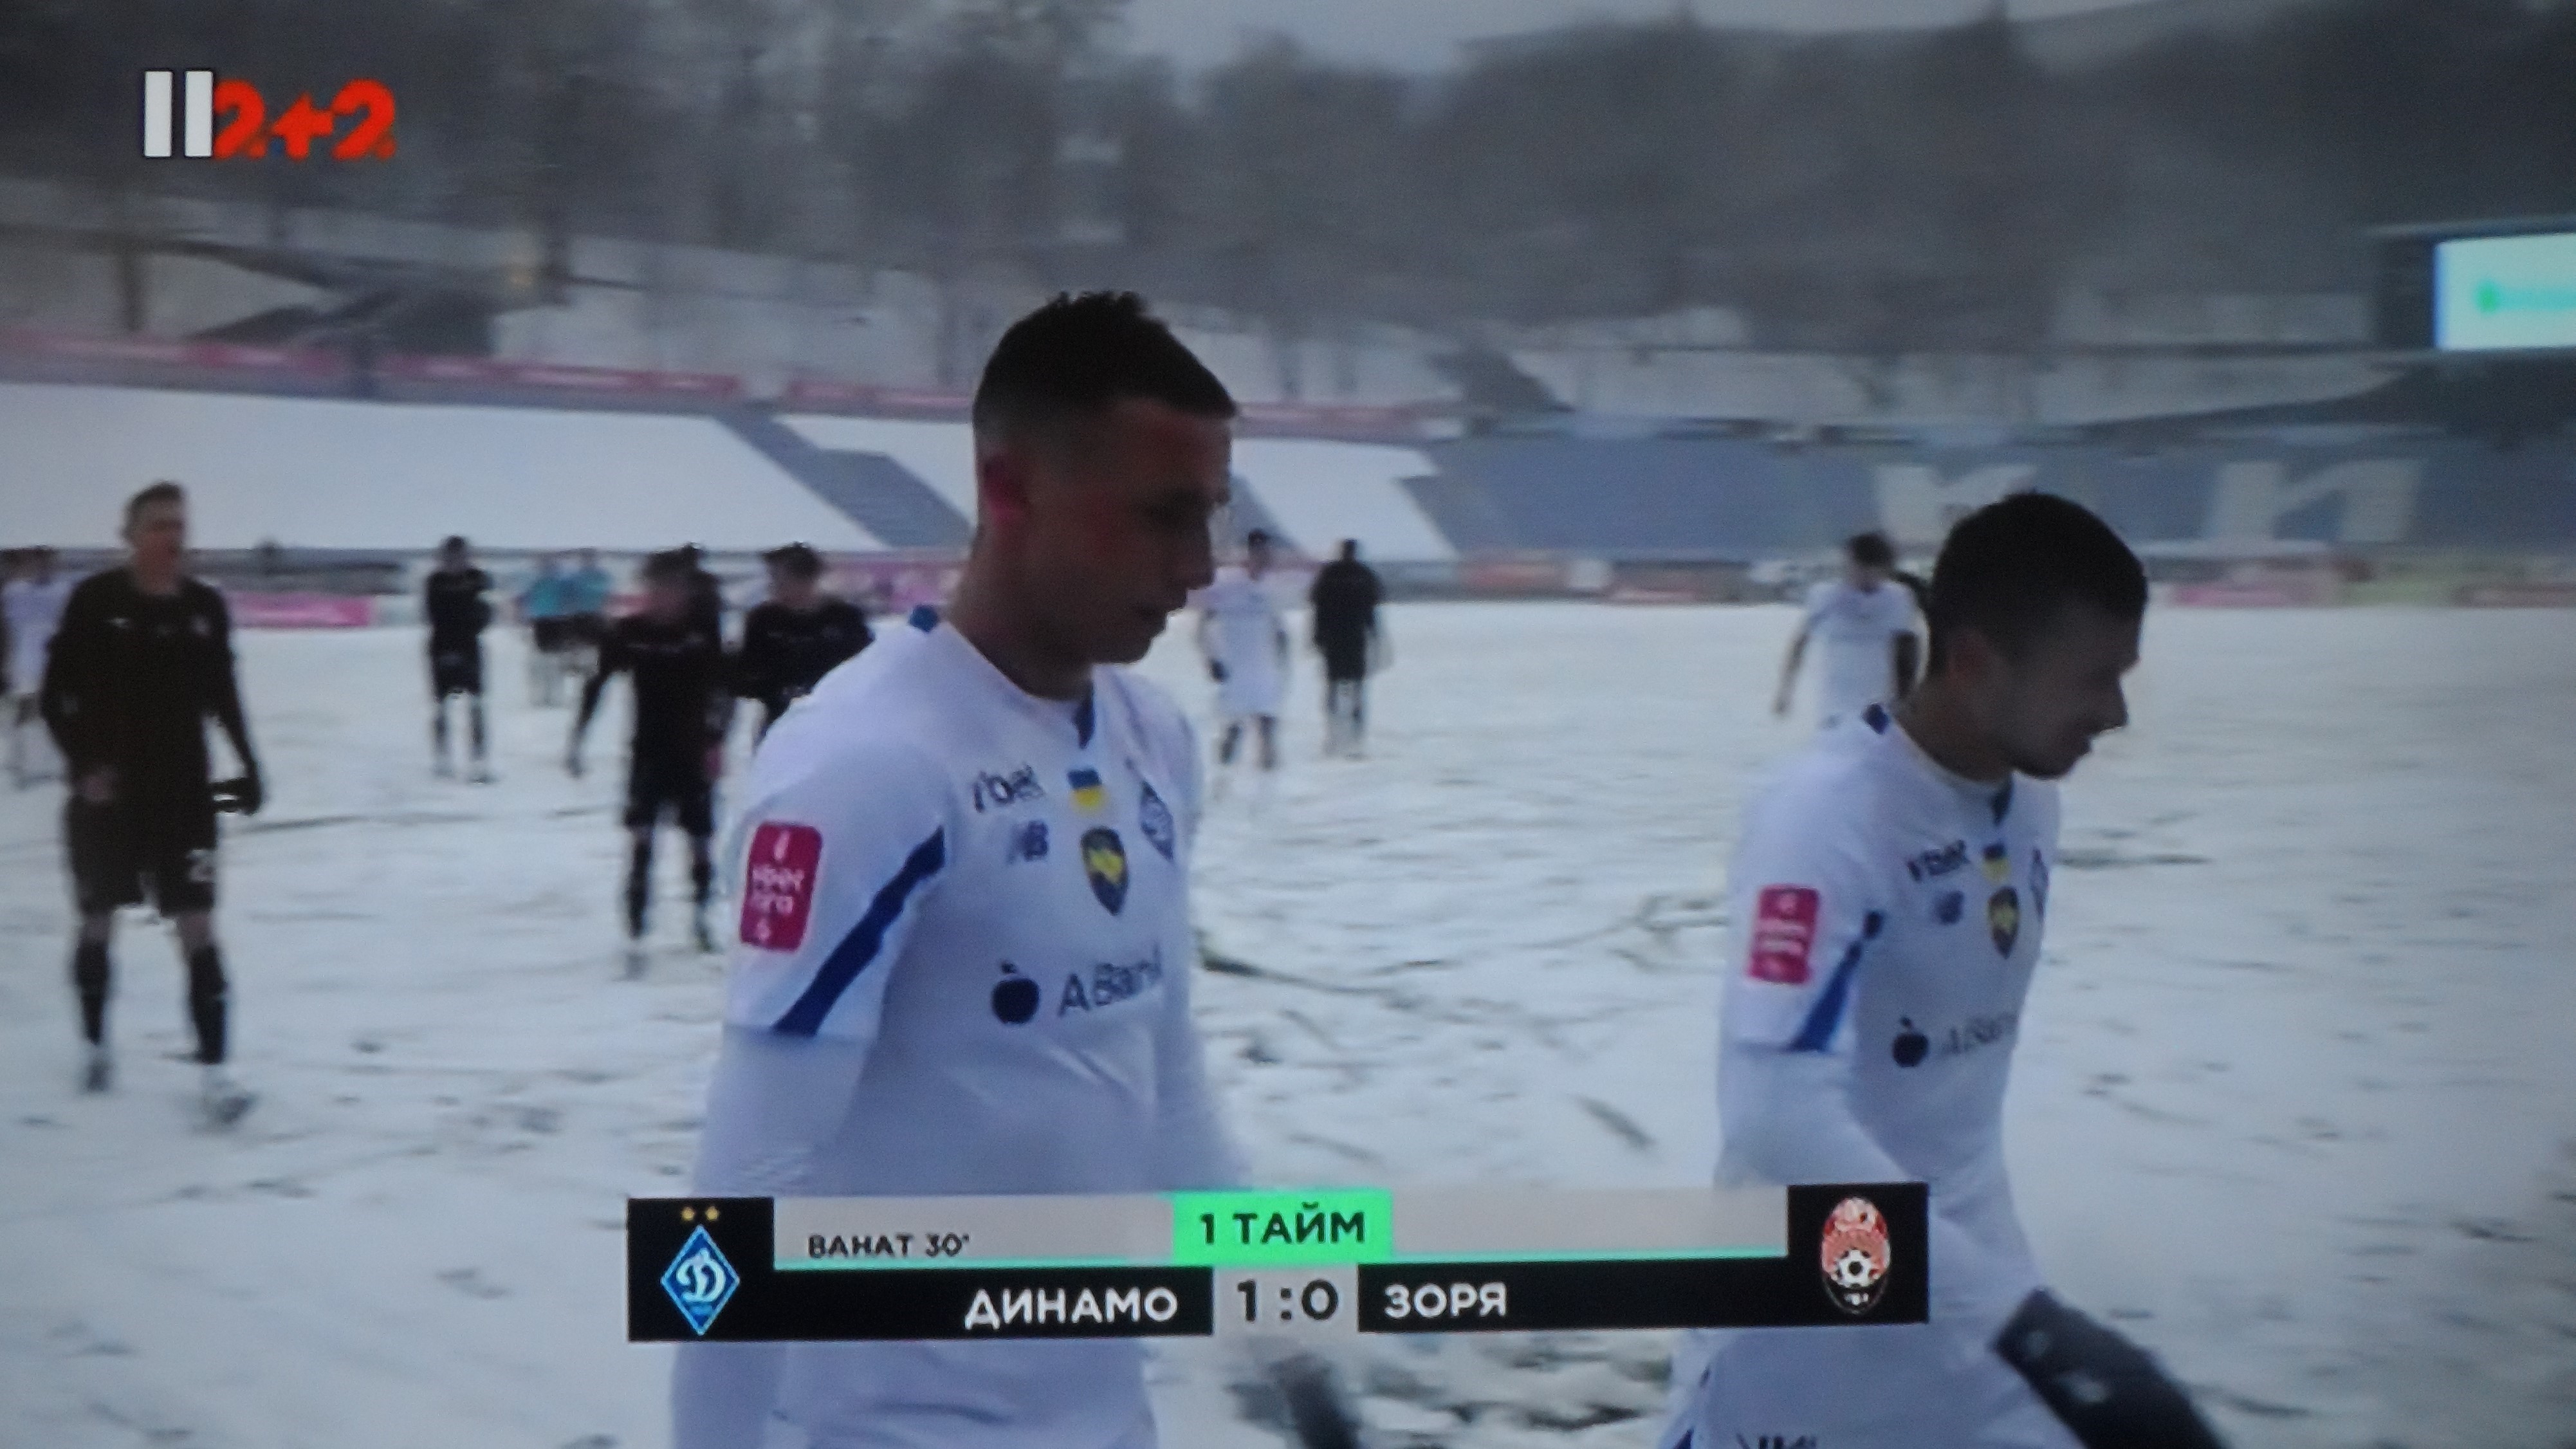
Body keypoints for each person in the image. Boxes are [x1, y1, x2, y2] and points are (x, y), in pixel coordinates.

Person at [670, 291, 1246, 1449]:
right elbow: (749, 1178)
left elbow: (1164, 1068)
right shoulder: (869, 766)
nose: (1197, 568)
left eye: (1209, 519)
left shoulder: (1154, 737)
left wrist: (1279, 1321)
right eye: (1160, 516)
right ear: (1008, 488)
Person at [1663, 494, 2225, 1449]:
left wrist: (2004, 1307)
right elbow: (1775, 1112)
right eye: (2093, 679)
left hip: (1971, 1310)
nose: (2116, 713)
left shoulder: (2029, 799)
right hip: (1806, 1334)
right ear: (1972, 661)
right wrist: (2025, 1324)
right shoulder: (1823, 819)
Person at [41, 482, 264, 1121]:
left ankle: (217, 1074)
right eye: (160, 525)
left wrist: (249, 764)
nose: (173, 537)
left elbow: (223, 693)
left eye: (180, 525)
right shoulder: (96, 601)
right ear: (131, 535)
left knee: (197, 924)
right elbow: (56, 697)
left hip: (184, 795)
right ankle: (95, 1046)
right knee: (97, 919)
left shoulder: (204, 607)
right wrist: (84, 768)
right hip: (108, 797)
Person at [571, 549, 730, 972]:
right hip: (647, 752)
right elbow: (598, 683)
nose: (664, 597)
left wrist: (717, 740)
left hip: (692, 752)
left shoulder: (702, 632)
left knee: (700, 840)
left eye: (672, 588)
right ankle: (636, 930)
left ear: (686, 591)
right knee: (641, 839)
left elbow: (723, 689)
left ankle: (701, 918)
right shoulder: (631, 632)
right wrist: (578, 738)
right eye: (656, 588)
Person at [1774, 530, 1920, 732]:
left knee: (1878, 744)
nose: (1863, 577)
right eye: (1858, 568)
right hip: (1835, 707)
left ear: (1883, 570)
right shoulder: (1825, 597)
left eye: (1871, 572)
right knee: (1837, 746)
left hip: (1879, 706)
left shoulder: (1897, 598)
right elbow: (1800, 644)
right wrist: (1785, 691)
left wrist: (1907, 698)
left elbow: (1908, 649)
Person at [731, 542, 872, 743]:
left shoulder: (844, 619)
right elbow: (745, 676)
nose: (772, 586)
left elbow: (865, 670)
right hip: (780, 723)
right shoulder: (763, 620)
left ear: (807, 579)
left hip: (834, 723)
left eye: (779, 579)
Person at [1194, 528, 1291, 788]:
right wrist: (1211, 658)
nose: (1266, 557)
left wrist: (1283, 655)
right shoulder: (1228, 583)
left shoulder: (1273, 587)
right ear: (1251, 552)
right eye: (1261, 552)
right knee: (1234, 728)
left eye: (1269, 553)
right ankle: (1221, 780)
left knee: (1268, 727)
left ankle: (1268, 786)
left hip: (1266, 666)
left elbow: (1278, 626)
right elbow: (1204, 624)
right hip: (1236, 664)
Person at [424, 536, 496, 781]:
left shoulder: (478, 578)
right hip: (442, 647)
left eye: (463, 557)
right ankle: (443, 759)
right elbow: (437, 616)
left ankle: (478, 760)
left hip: (470, 647)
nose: (457, 562)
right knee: (442, 706)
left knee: (476, 704)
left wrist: (479, 620)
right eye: (452, 557)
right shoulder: (436, 582)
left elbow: (486, 609)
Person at [1307, 537, 1385, 759]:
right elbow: (1372, 608)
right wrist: (1374, 633)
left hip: (1338, 637)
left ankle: (1340, 730)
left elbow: (1318, 607)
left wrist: (1317, 635)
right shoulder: (1361, 574)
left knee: (1338, 685)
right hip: (1350, 637)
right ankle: (1349, 730)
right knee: (1352, 686)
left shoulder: (1331, 574)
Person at [6, 546, 78, 787]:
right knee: (26, 713)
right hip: (26, 663)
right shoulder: (14, 592)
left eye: (46, 560)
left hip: (55, 662)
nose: (42, 566)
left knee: (57, 712)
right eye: (37, 561)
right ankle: (21, 763)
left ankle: (59, 763)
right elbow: (10, 630)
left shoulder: (65, 590)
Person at [519, 553, 575, 706]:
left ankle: (556, 695)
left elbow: (569, 601)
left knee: (556, 660)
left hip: (557, 621)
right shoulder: (533, 581)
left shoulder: (562, 582)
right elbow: (524, 600)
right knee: (540, 660)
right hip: (539, 622)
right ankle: (540, 695)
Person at [561, 547, 614, 678]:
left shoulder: (602, 576)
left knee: (595, 646)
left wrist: (608, 613)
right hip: (578, 615)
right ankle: (576, 667)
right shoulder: (574, 577)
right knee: (577, 644)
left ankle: (593, 670)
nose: (587, 560)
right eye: (585, 558)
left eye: (590, 558)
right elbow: (568, 597)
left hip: (596, 616)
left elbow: (607, 597)